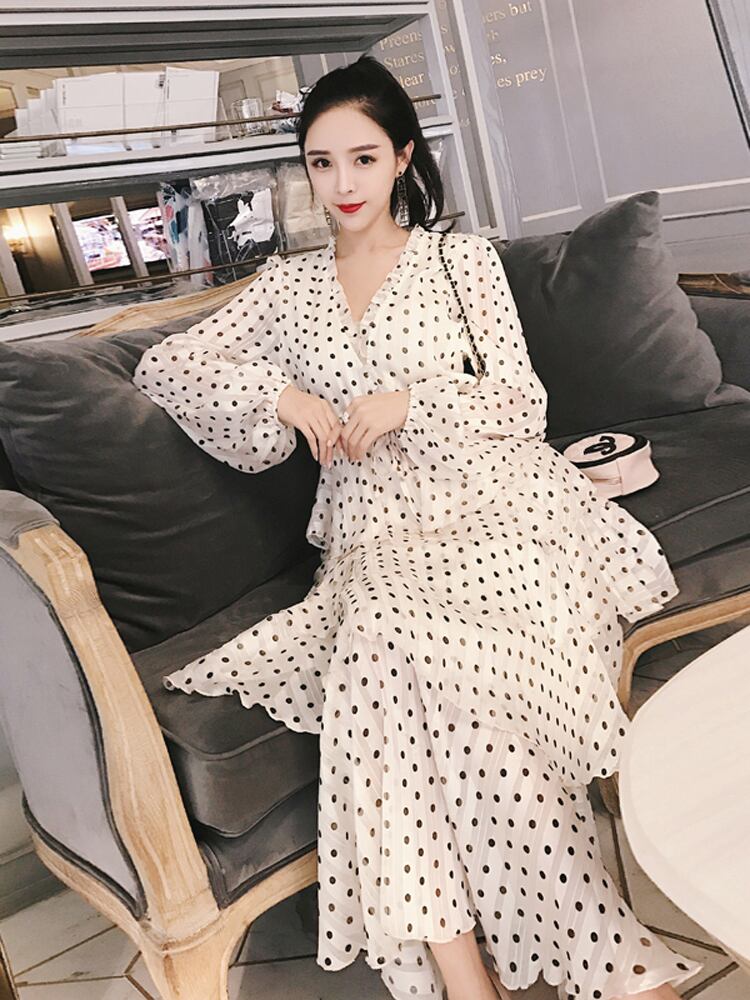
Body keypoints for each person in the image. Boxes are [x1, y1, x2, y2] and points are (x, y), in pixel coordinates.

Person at [132, 55, 704, 1000]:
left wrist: (411, 403)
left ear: (403, 158)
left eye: (363, 158)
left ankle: (528, 967)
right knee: (382, 653)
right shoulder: (287, 289)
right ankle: (484, 972)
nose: (343, 184)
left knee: (431, 676)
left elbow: (521, 402)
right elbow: (166, 367)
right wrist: (280, 395)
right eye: (321, 163)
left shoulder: (459, 261)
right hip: (375, 532)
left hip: (500, 506)